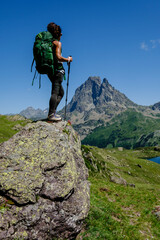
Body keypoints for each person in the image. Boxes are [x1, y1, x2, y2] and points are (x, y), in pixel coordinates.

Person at [47, 22, 72, 121]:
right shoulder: (57, 43)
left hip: (50, 71)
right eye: (60, 33)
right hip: (58, 71)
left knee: (60, 92)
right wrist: (68, 59)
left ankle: (52, 112)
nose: (61, 35)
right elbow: (58, 57)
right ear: (57, 33)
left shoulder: (48, 43)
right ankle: (51, 114)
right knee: (56, 92)